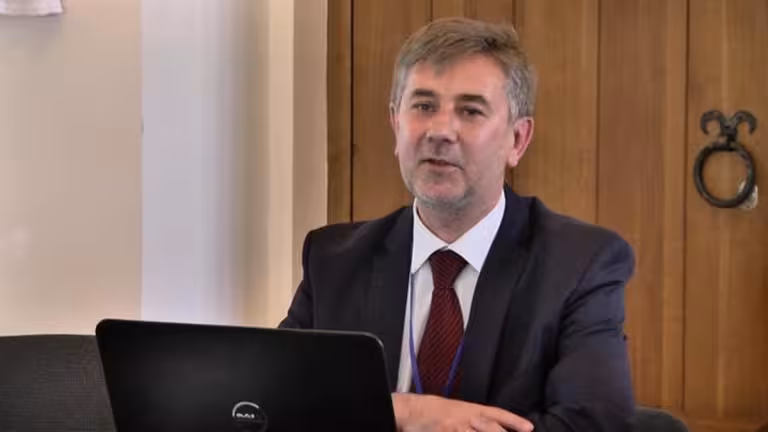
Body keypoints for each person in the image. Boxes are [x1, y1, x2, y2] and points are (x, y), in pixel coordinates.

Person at [280, 17, 634, 432]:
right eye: (423, 106)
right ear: (396, 124)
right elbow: (275, 401)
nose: (440, 131)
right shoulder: (333, 259)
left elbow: (595, 424)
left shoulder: (580, 264)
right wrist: (406, 412)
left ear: (517, 140)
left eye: (470, 111)